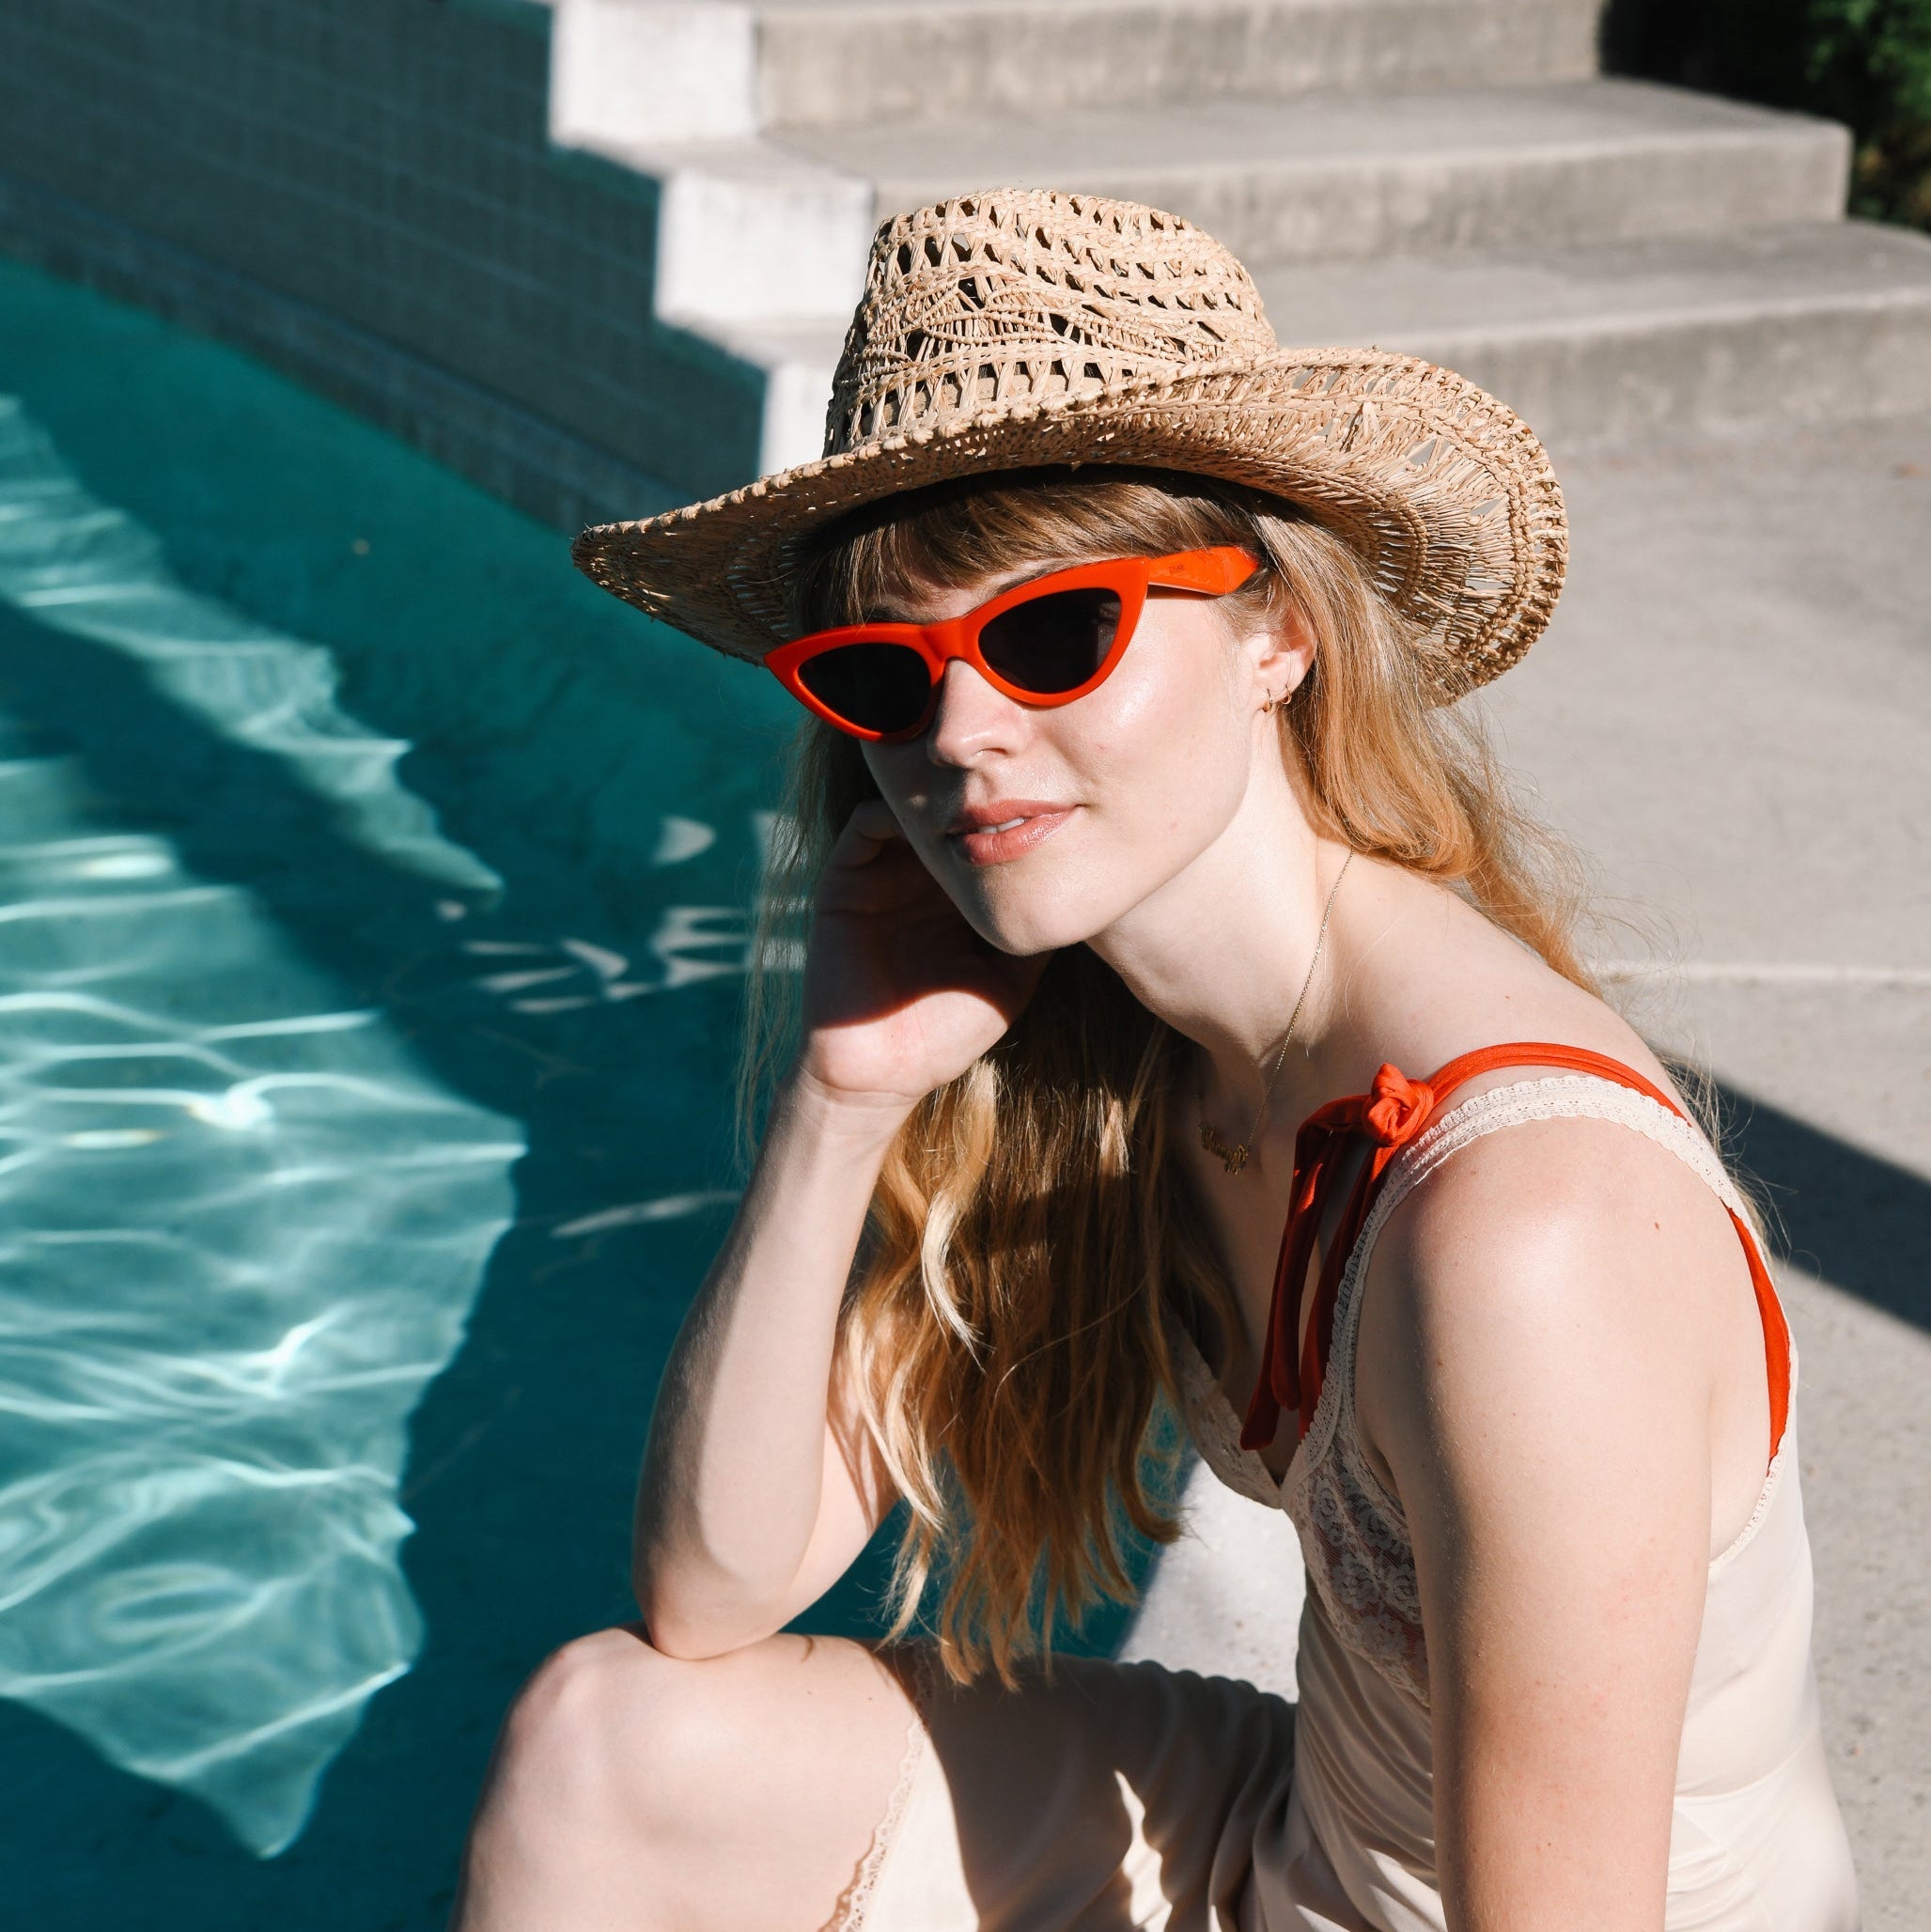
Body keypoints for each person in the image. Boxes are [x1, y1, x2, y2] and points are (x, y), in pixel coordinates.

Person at [449, 190, 1858, 1932]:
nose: (961, 732)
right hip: (1292, 1842)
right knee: (611, 1746)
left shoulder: (1526, 1230)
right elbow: (710, 1593)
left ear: (1278, 631)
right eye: (884, 675)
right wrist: (840, 1105)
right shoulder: (1121, 1063)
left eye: (1053, 632)